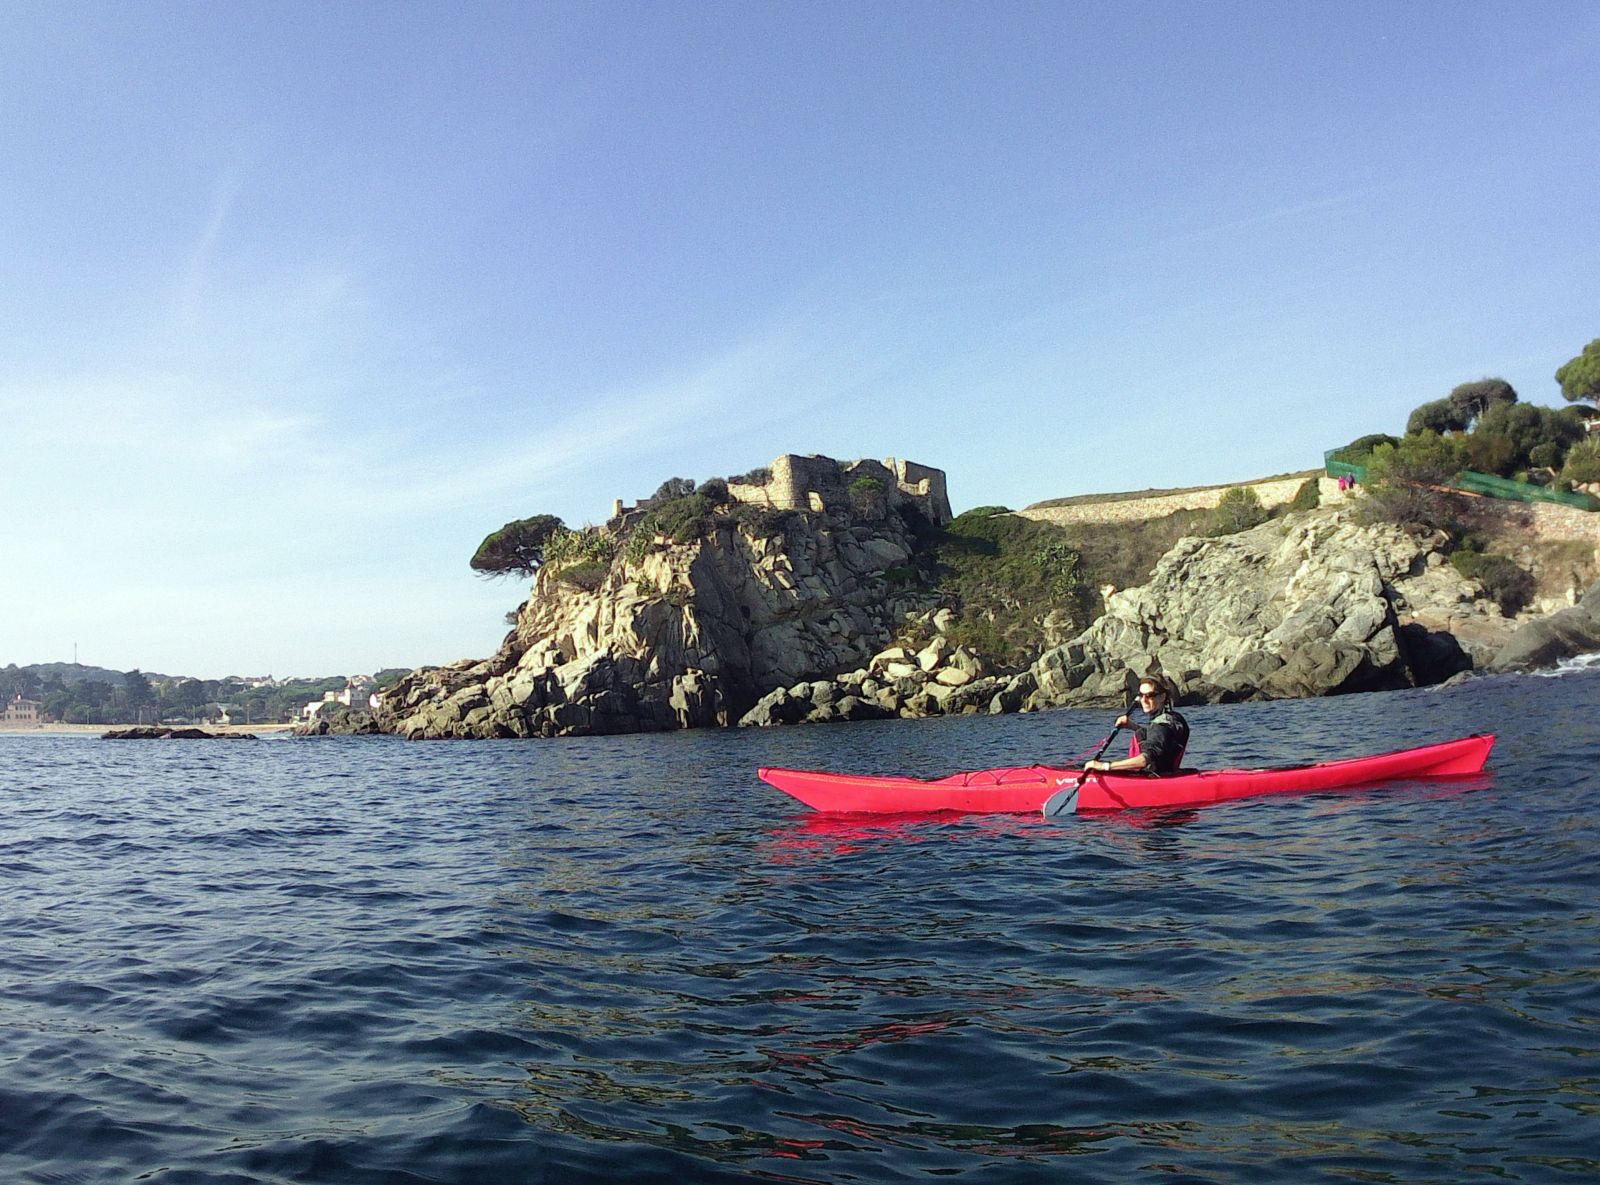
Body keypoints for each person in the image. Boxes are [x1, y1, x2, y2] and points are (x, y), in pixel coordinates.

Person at [1082, 674, 1190, 776]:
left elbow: (1144, 760)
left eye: (1149, 695)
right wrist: (1132, 726)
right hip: (1167, 773)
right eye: (1141, 695)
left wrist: (1104, 766)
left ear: (1162, 697)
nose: (1143, 700)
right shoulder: (1174, 718)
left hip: (1155, 779)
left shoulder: (1160, 726)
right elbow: (1159, 739)